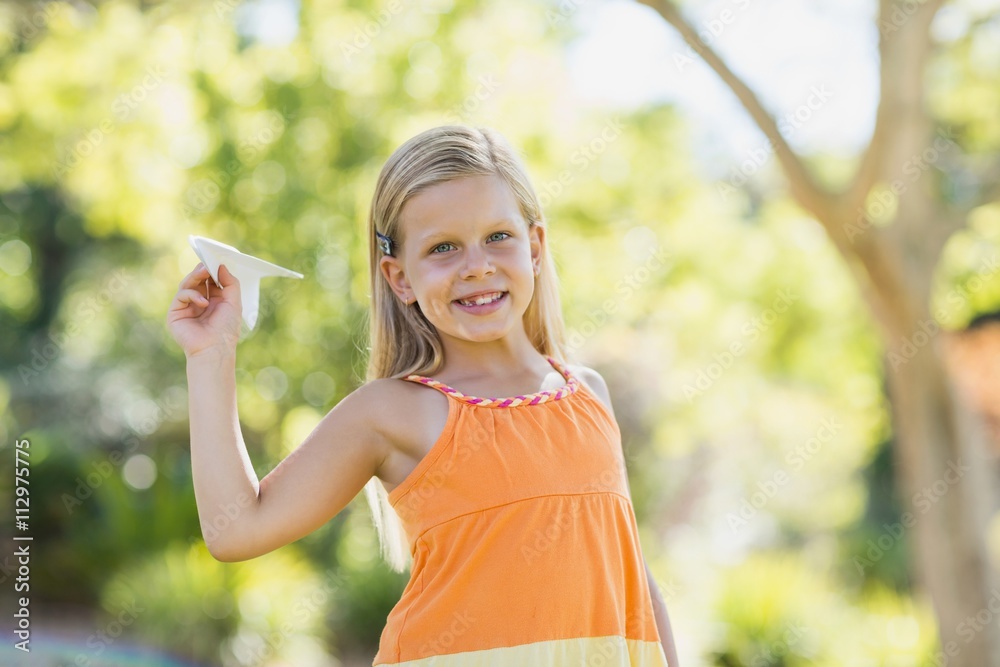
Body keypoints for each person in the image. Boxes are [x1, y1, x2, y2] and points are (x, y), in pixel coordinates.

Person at [167, 125, 680, 666]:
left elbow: (633, 579)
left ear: (534, 247)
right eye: (443, 248)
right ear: (400, 278)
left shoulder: (589, 394)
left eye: (497, 237)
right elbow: (236, 530)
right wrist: (210, 357)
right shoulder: (392, 411)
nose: (477, 265)